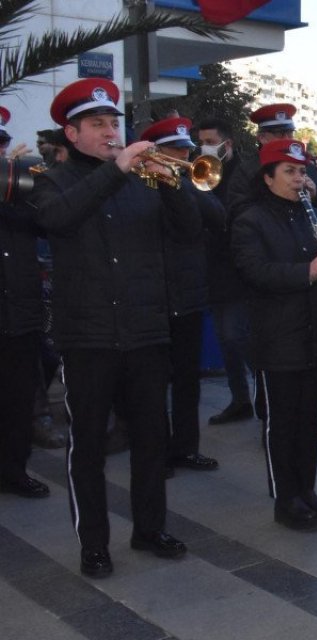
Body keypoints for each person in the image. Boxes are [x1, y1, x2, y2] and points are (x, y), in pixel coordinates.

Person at [33, 78, 199, 577]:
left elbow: (190, 230)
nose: (110, 132)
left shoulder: (143, 178)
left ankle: (150, 529)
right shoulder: (52, 181)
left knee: (151, 437)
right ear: (73, 132)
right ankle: (94, 543)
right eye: (98, 124)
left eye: (114, 123)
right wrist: (118, 169)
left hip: (146, 329)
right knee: (88, 445)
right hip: (87, 337)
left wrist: (172, 183)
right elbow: (57, 220)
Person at [231, 138, 317, 532]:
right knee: (282, 421)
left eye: (302, 172)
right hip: (278, 334)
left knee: (309, 419)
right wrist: (308, 271)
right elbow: (254, 272)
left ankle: (307, 490)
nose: (300, 179)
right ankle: (286, 498)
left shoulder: (316, 213)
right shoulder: (250, 220)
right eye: (290, 172)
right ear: (267, 178)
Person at [139, 116, 223, 474]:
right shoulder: (137, 184)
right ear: (156, 151)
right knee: (153, 384)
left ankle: (186, 448)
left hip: (187, 296)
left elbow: (216, 219)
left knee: (188, 379)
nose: (184, 156)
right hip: (152, 298)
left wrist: (182, 184)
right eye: (175, 151)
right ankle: (155, 452)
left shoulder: (188, 184)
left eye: (186, 150)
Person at [0, 106, 51, 501]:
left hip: (20, 316)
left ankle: (15, 470)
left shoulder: (19, 195)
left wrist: (25, 184)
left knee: (18, 400)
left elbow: (45, 223)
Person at [197, 118, 255, 426]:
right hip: (213, 267)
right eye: (201, 140)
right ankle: (240, 398)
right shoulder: (203, 169)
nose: (204, 146)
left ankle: (265, 390)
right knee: (224, 337)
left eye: (209, 139)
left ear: (227, 143)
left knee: (236, 336)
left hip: (235, 268)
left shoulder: (243, 173)